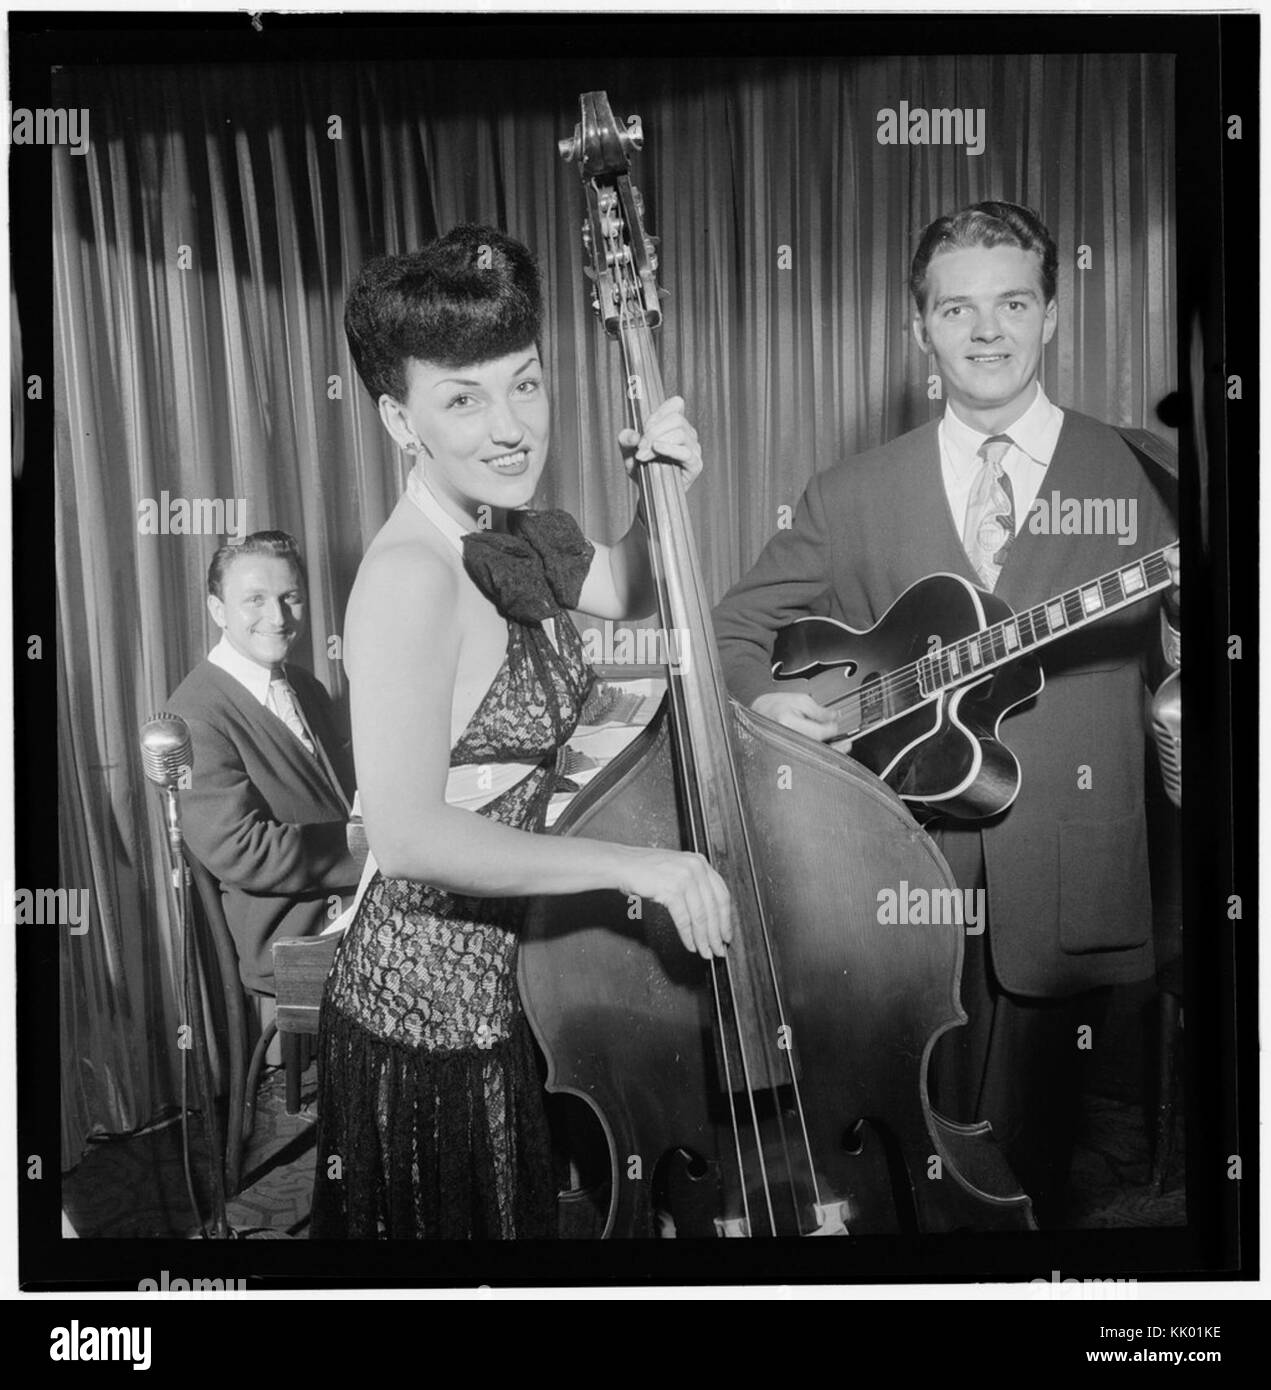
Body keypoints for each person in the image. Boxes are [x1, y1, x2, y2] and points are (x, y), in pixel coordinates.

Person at [712, 201, 1181, 1227]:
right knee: (900, 1173)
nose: (985, 331)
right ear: (917, 327)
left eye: (1012, 302)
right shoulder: (850, 492)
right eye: (954, 308)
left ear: (1051, 313)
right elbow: (732, 631)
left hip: (1067, 881)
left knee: (1032, 1184)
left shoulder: (1148, 476)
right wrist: (763, 702)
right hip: (895, 872)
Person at [310, 225, 731, 1240]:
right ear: (397, 420)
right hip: (428, 1012)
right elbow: (408, 837)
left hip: (517, 990)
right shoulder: (410, 576)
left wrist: (661, 481)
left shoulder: (516, 529)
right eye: (462, 398)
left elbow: (630, 585)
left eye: (526, 383)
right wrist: (643, 865)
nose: (510, 427)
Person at [168, 531, 360, 994]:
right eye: (255, 600)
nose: (277, 617)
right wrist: (376, 850)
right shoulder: (194, 715)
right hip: (296, 940)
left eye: (289, 597)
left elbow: (342, 794)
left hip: (354, 909)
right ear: (218, 611)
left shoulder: (303, 685)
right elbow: (244, 849)